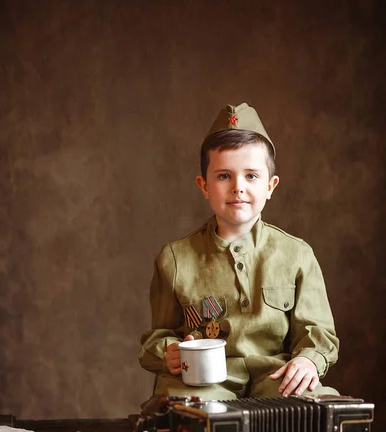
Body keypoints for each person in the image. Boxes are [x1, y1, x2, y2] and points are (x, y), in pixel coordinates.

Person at [139, 102, 339, 400]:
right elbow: (157, 337)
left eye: (251, 176)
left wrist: (309, 359)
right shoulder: (175, 259)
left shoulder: (297, 255)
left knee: (312, 406)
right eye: (223, 176)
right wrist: (167, 351)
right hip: (205, 381)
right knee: (184, 410)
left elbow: (317, 331)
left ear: (271, 186)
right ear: (203, 185)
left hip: (275, 376)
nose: (238, 187)